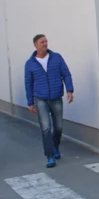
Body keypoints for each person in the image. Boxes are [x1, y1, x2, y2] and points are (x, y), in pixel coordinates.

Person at [24, 34, 74, 168]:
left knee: (58, 127)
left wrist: (69, 90)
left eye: (46, 41)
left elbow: (66, 74)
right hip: (40, 99)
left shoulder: (56, 58)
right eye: (42, 42)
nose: (45, 44)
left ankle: (55, 147)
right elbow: (28, 84)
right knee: (46, 128)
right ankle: (50, 156)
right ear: (35, 45)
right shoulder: (30, 64)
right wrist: (30, 102)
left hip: (56, 98)